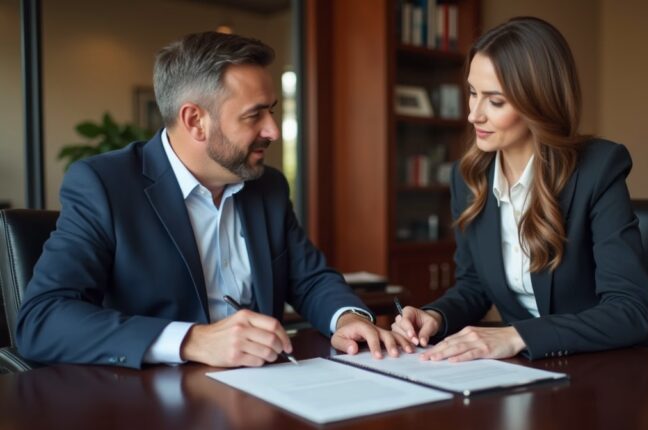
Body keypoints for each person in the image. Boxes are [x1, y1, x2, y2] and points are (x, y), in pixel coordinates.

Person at [16, 31, 411, 369]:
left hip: (271, 390)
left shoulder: (268, 186)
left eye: (272, 111)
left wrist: (347, 318)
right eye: (254, 115)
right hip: (156, 404)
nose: (273, 130)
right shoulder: (104, 185)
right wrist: (193, 341)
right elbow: (42, 319)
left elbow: (308, 278)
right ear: (194, 120)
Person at [391, 17, 648, 362]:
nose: (473, 115)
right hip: (526, 373)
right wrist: (436, 316)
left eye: (495, 101)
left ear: (539, 103)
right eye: (472, 93)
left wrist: (516, 336)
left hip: (602, 371)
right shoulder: (468, 177)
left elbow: (630, 311)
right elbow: (473, 287)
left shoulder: (598, 169)